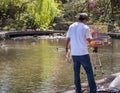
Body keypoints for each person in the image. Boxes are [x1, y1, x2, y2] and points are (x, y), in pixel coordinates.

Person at [66, 13, 97, 93]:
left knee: (76, 73)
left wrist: (67, 49)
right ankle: (93, 91)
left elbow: (68, 39)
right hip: (83, 53)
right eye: (87, 20)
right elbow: (89, 40)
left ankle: (78, 91)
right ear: (84, 19)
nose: (87, 22)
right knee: (89, 72)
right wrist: (93, 37)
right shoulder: (85, 27)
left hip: (74, 53)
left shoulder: (71, 26)